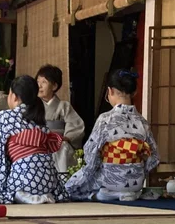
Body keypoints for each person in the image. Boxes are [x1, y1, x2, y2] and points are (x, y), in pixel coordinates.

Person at [65, 70, 159, 202]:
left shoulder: (105, 119)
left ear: (110, 91)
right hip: (136, 182)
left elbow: (91, 154)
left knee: (70, 188)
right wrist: (135, 168)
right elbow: (153, 158)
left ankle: (107, 193)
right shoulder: (142, 122)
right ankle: (128, 192)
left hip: (110, 179)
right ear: (134, 92)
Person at [0, 75, 68, 205]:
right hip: (48, 179)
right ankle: (43, 193)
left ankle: (23, 195)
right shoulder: (38, 117)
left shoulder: (5, 116)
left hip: (23, 178)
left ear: (14, 96)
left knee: (4, 191)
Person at [36, 65, 84, 175]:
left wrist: (65, 138)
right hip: (39, 142)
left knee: (62, 148)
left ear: (54, 86)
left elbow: (76, 126)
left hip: (59, 145)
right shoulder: (34, 107)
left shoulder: (64, 106)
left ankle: (63, 181)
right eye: (38, 81)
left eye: (44, 82)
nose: (39, 85)